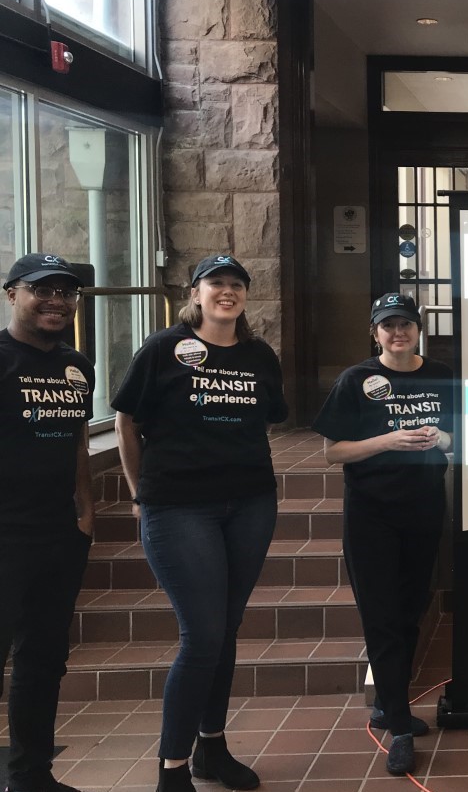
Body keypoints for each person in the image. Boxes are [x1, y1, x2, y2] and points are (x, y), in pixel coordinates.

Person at [112, 255, 287, 792]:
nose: (227, 292)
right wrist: (140, 493)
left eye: (236, 284)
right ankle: (172, 770)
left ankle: (212, 747)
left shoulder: (259, 355)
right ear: (195, 293)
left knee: (226, 629)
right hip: (179, 506)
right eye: (216, 283)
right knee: (203, 635)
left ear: (245, 296)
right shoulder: (163, 349)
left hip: (250, 504)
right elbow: (126, 422)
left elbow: (267, 419)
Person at [311, 293, 454, 777]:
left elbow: (463, 436)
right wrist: (388, 440)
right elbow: (333, 452)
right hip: (371, 513)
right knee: (382, 616)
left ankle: (388, 704)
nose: (398, 333)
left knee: (410, 611)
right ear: (375, 333)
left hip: (424, 507)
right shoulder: (355, 380)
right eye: (388, 325)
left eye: (406, 324)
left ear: (418, 330)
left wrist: (442, 439)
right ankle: (398, 727)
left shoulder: (440, 376)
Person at [0, 254, 94, 792]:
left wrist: (85, 510)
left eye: (66, 291)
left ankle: (31, 776)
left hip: (59, 533)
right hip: (5, 534)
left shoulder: (77, 366)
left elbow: (78, 440)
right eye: (43, 290)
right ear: (12, 293)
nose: (56, 300)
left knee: (43, 659)